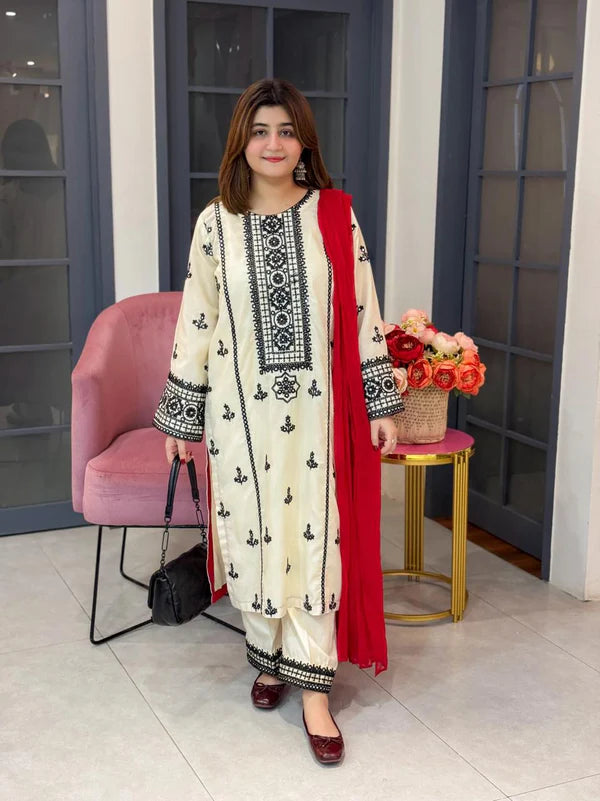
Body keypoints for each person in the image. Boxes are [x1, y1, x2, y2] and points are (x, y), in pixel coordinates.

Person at [153, 78, 403, 764]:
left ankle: (315, 689)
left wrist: (380, 401)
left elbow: (363, 309)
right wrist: (181, 417)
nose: (273, 144)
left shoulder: (333, 216)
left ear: (304, 143)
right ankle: (268, 658)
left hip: (317, 418)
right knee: (254, 536)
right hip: (238, 417)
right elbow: (197, 320)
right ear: (241, 141)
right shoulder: (216, 223)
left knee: (315, 541)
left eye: (286, 131)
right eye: (260, 131)